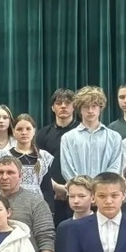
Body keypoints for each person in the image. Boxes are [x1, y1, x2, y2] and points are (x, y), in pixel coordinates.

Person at [60, 86, 123, 180]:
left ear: (100, 107)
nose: (90, 111)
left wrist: (101, 185)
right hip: (78, 188)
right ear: (79, 109)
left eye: (94, 106)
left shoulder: (114, 137)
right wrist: (81, 185)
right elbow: (67, 169)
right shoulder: (68, 138)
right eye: (85, 106)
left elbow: (115, 166)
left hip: (106, 187)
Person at [38, 88, 77, 223]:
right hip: (50, 191)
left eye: (68, 103)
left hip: (78, 191)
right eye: (59, 103)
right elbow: (39, 164)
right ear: (52, 108)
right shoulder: (43, 134)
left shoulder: (82, 132)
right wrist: (55, 186)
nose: (63, 106)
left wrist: (72, 186)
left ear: (74, 106)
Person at [9, 114, 53, 196]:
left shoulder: (43, 156)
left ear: (34, 131)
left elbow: (47, 188)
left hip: (37, 201)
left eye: (28, 129)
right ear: (13, 132)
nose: (24, 132)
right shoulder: (4, 155)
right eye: (19, 129)